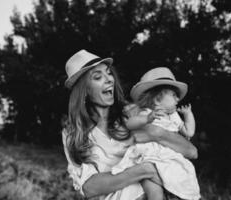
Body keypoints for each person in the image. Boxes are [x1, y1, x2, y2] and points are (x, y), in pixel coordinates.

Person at [62, 49, 198, 200]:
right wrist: (145, 170)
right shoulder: (73, 133)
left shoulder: (132, 114)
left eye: (109, 73)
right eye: (98, 77)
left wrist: (156, 133)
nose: (109, 79)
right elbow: (89, 188)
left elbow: (191, 152)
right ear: (85, 90)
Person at [111, 67, 200, 200]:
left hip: (170, 156)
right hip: (150, 155)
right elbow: (130, 124)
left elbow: (189, 132)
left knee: (184, 178)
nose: (177, 99)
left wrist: (188, 115)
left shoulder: (174, 116)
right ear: (157, 99)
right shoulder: (147, 113)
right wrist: (147, 119)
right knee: (153, 187)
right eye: (173, 95)